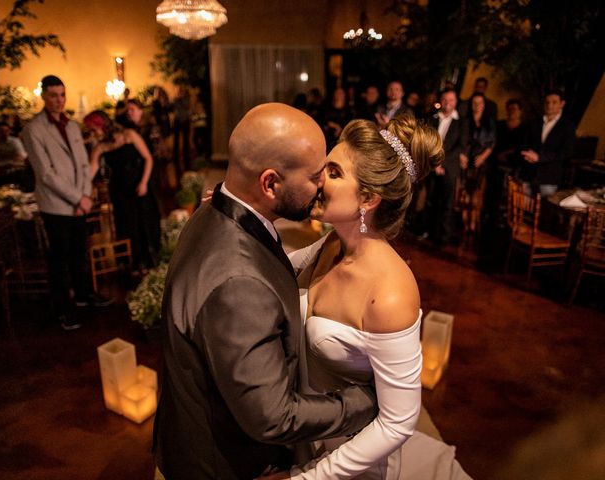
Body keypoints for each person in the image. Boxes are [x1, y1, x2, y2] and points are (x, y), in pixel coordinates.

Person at [153, 103, 378, 480]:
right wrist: (367, 400)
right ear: (270, 183)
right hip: (220, 464)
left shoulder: (214, 211)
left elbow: (267, 265)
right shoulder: (239, 285)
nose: (322, 183)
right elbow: (274, 417)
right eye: (314, 175)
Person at [272, 115, 468, 479]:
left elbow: (398, 422)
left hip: (349, 458)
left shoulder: (390, 295)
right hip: (302, 426)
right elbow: (273, 269)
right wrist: (241, 219)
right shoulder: (332, 243)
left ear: (367, 197)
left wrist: (307, 478)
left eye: (332, 173)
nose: (318, 179)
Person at [22, 75, 112, 331]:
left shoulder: (72, 126)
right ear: (43, 96)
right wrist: (76, 198)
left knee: (79, 253)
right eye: (53, 95)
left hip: (79, 202)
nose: (59, 100)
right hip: (56, 205)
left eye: (62, 95)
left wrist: (85, 195)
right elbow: (46, 173)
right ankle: (63, 308)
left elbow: (84, 165)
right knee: (59, 259)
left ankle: (85, 295)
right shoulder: (33, 130)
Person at [84, 110, 160, 273]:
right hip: (119, 190)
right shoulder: (100, 147)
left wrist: (144, 182)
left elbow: (148, 158)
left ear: (103, 126)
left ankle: (150, 261)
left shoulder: (129, 134)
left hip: (139, 184)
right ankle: (134, 263)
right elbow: (90, 172)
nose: (92, 133)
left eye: (93, 129)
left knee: (144, 222)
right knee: (127, 225)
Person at [426, 88, 468, 245]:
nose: (447, 103)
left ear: (455, 102)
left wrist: (441, 162)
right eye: (445, 99)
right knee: (431, 200)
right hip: (431, 166)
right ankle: (429, 231)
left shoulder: (462, 122)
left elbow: (461, 146)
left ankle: (443, 237)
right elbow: (427, 141)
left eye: (451, 100)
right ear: (440, 101)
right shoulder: (432, 118)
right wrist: (434, 163)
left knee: (447, 203)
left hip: (449, 167)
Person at [518, 89, 575, 197]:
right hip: (528, 173)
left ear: (562, 104)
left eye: (554, 102)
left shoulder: (567, 126)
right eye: (547, 102)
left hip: (549, 177)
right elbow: (523, 143)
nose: (550, 105)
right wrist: (527, 154)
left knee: (545, 210)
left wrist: (539, 157)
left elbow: (566, 152)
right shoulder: (534, 122)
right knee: (523, 209)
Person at [460, 92, 496, 237]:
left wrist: (482, 157)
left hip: (481, 161)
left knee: (477, 193)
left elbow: (492, 143)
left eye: (480, 103)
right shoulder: (465, 120)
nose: (477, 106)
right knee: (464, 192)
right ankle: (464, 224)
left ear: (484, 104)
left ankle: (473, 224)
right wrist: (462, 155)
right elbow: (461, 140)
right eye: (474, 103)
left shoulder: (490, 122)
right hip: (466, 159)